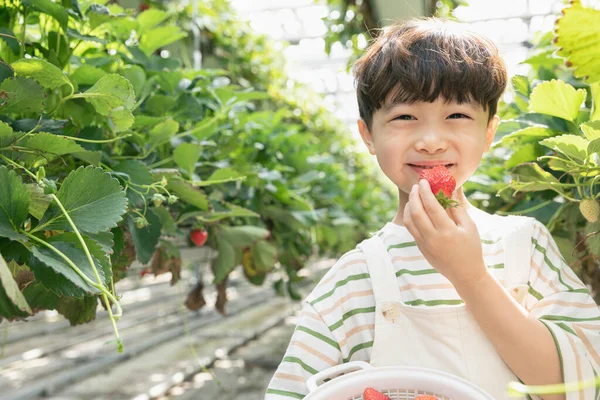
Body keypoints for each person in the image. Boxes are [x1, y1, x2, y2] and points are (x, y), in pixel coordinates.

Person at [265, 17, 600, 400]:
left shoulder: (527, 246)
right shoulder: (351, 281)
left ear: (489, 133)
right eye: (404, 117)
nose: (431, 141)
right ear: (368, 136)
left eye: (457, 116)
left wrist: (469, 276)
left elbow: (578, 385)